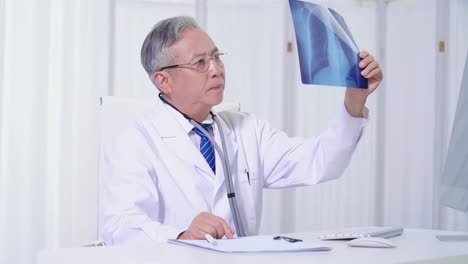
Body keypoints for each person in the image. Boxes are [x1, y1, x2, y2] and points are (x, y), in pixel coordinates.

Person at [99, 16, 383, 244]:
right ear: (164, 80)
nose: (216, 69)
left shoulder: (246, 130)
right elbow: (120, 227)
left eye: (216, 56)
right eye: (200, 62)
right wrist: (182, 236)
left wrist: (354, 100)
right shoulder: (134, 143)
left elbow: (320, 163)